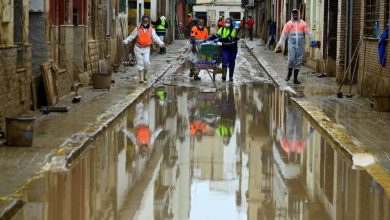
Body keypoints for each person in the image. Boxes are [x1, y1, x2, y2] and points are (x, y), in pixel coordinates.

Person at [274, 9, 313, 84]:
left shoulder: (303, 23)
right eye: (294, 14)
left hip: (300, 45)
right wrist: (280, 43)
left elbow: (308, 33)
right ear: (292, 15)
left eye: (296, 14)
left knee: (298, 61)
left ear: (298, 15)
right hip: (291, 44)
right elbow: (284, 35)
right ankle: (289, 74)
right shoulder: (288, 24)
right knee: (291, 59)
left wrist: (312, 41)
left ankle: (295, 78)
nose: (295, 16)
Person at [123, 15, 165, 83]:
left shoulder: (151, 29)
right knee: (140, 63)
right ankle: (141, 78)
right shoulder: (138, 28)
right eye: (144, 21)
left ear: (148, 21)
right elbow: (132, 36)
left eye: (146, 21)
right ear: (142, 21)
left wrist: (161, 43)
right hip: (138, 47)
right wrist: (126, 41)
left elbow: (155, 38)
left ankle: (145, 74)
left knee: (146, 62)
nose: (145, 22)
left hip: (146, 48)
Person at [210, 17, 238, 81]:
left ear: (231, 23)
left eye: (228, 22)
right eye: (226, 22)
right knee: (224, 60)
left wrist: (219, 39)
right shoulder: (222, 29)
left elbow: (229, 39)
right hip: (225, 48)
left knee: (231, 62)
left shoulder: (234, 30)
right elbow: (216, 35)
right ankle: (224, 76)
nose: (227, 23)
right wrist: (208, 39)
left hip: (233, 48)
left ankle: (231, 76)